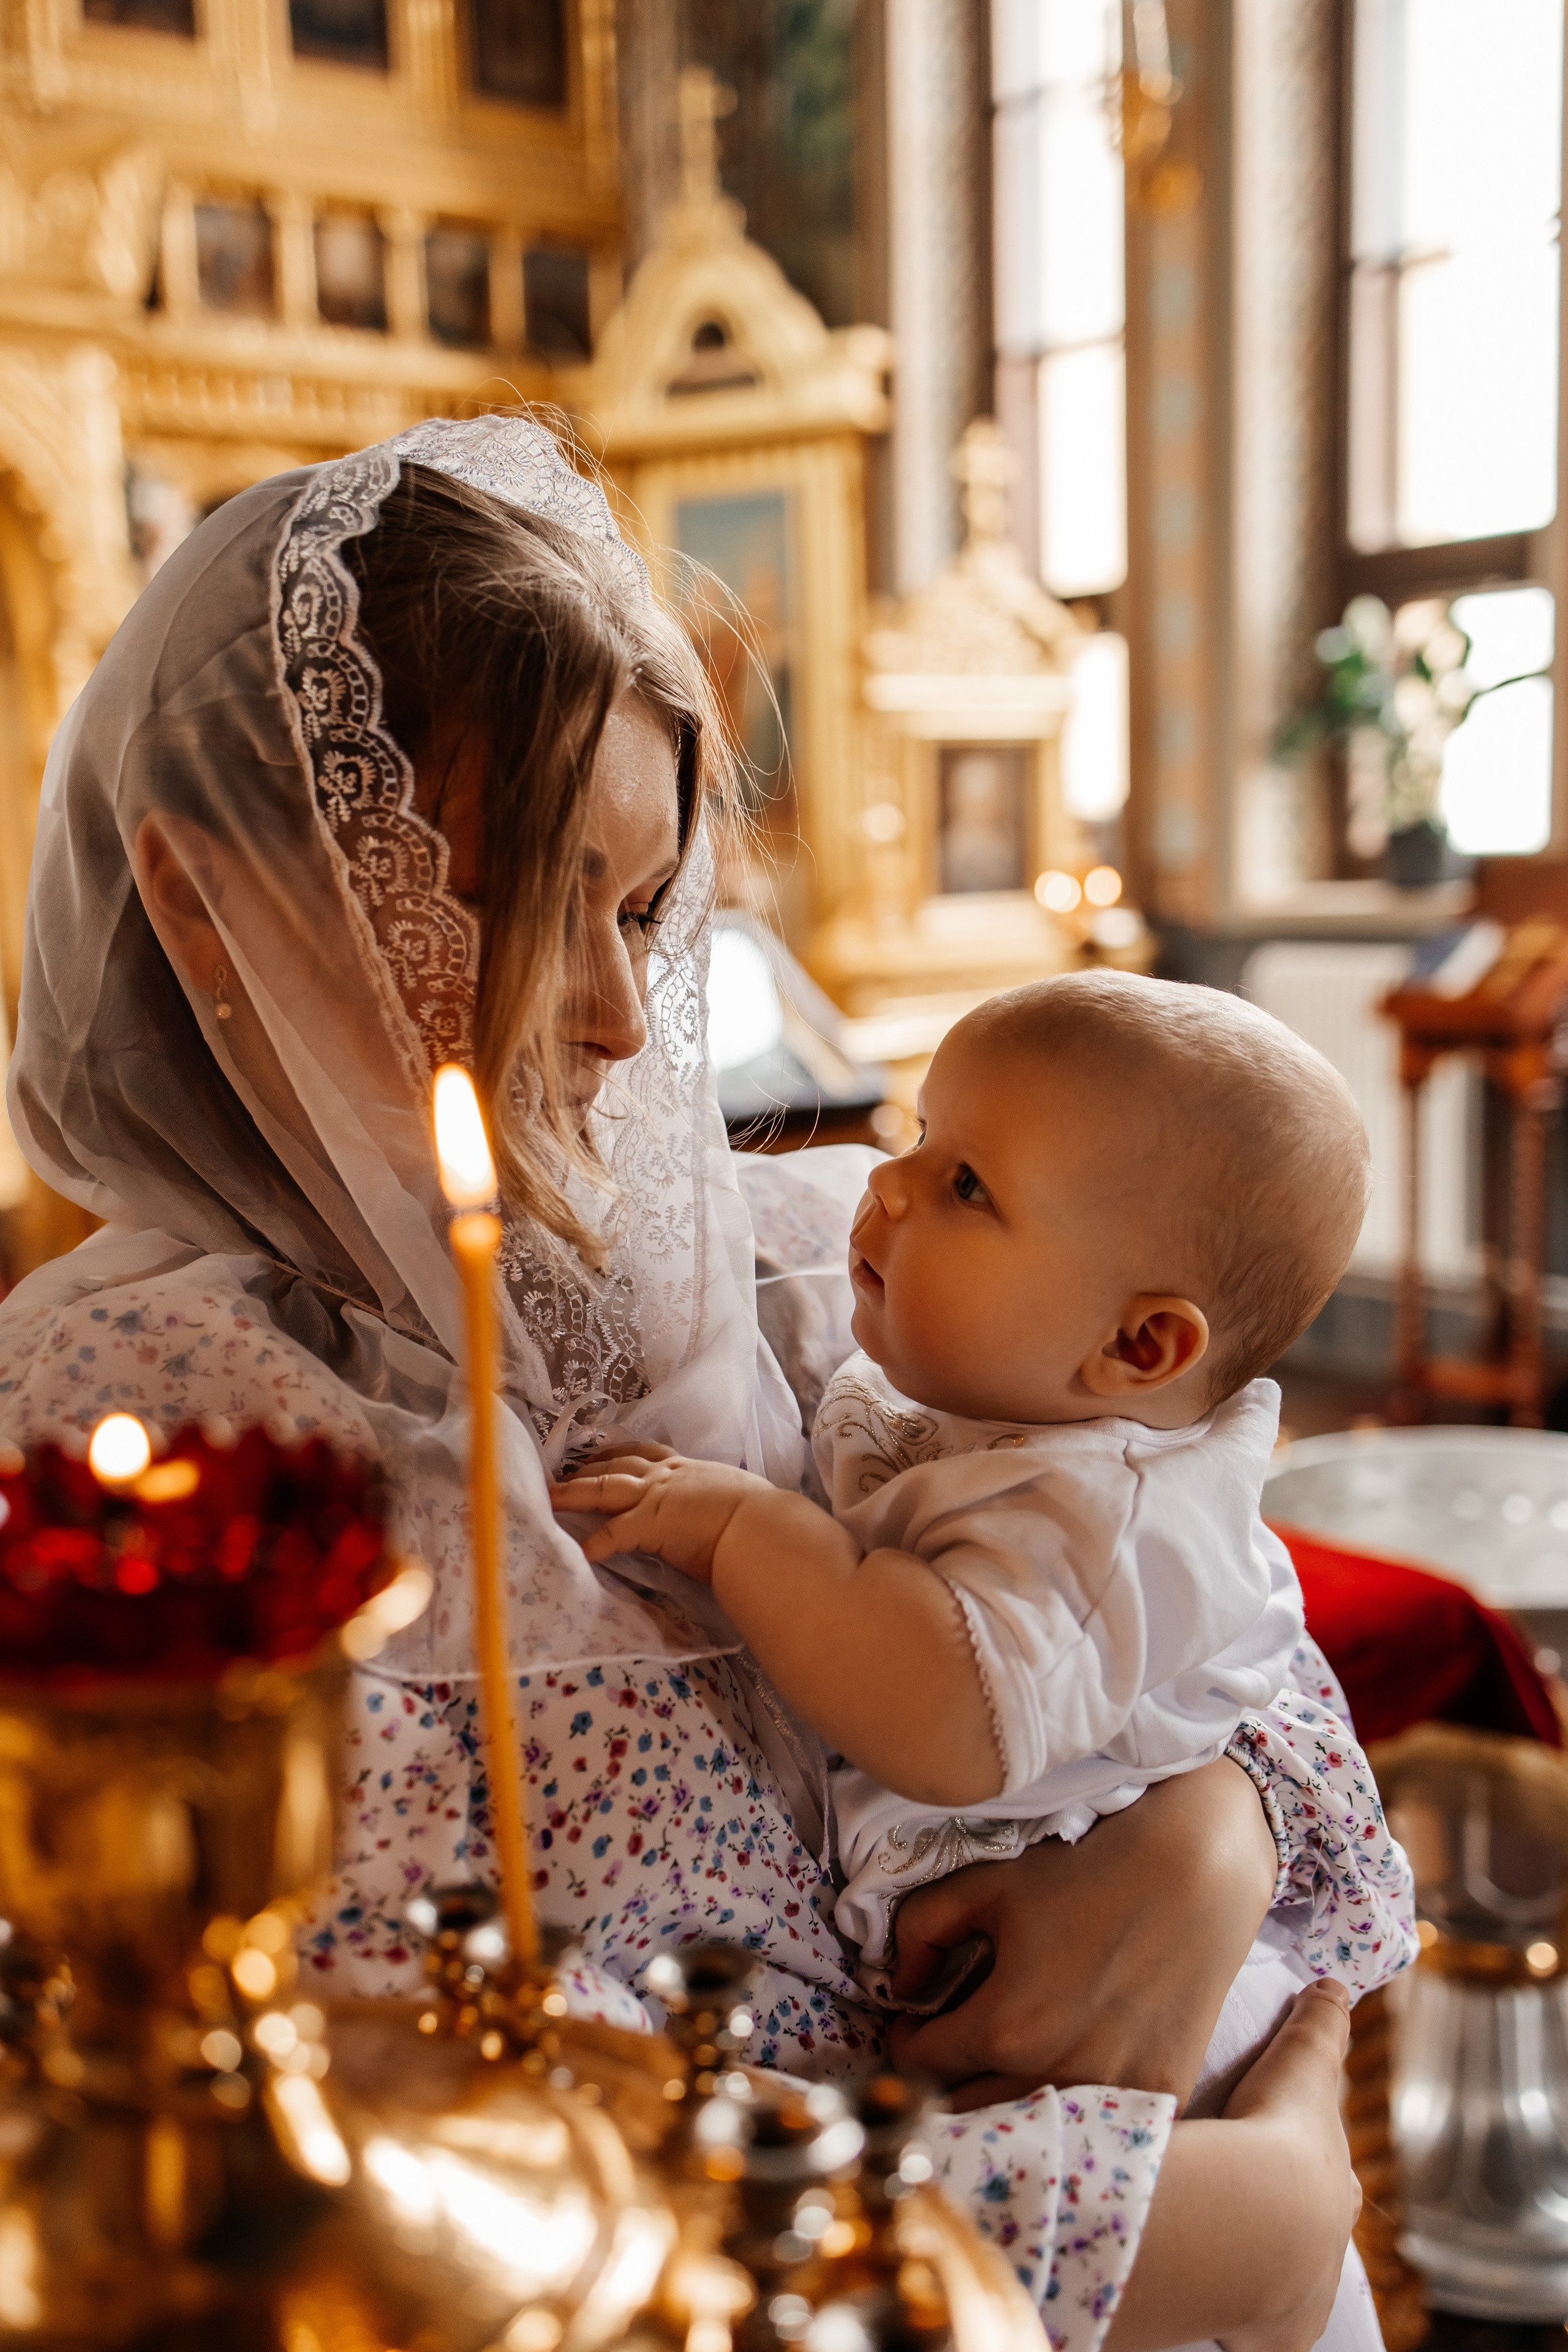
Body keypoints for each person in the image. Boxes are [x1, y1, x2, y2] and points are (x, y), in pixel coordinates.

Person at [0, 412, 1406, 2352]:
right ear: (203, 905)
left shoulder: (820, 1251)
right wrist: (1223, 2219)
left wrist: (1209, 1843)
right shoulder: (129, 1457)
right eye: (495, 899)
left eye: (645, 906)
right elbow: (376, 2171)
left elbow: (1217, 1632)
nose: (601, 1006)